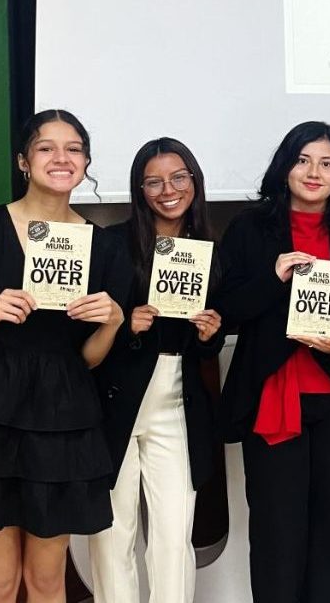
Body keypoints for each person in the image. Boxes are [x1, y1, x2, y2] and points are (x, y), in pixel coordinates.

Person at [0, 109, 131, 603]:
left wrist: (112, 322)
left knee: (47, 580)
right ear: (22, 161)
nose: (61, 158)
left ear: (87, 162)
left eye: (74, 148)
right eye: (45, 147)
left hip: (60, 419)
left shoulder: (104, 248)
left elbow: (89, 360)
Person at [215, 121, 330, 603]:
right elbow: (224, 309)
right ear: (285, 167)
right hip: (273, 398)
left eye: (327, 163)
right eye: (303, 160)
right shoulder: (250, 228)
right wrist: (273, 277)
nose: (314, 172)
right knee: (277, 535)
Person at [89, 138, 223, 603]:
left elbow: (209, 345)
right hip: (117, 400)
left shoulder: (209, 250)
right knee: (112, 533)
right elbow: (84, 328)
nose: (168, 190)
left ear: (194, 181)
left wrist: (210, 334)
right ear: (139, 189)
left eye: (178, 177)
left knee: (173, 536)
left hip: (178, 402)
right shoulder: (112, 243)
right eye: (154, 182)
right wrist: (126, 324)